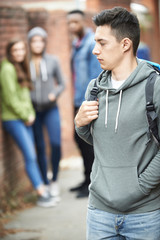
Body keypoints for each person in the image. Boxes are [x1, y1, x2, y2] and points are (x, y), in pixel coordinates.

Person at [75, 7, 160, 240]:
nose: (95, 50)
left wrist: (141, 186)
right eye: (95, 42)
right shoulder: (94, 88)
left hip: (145, 214)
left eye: (102, 43)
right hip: (99, 212)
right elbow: (102, 140)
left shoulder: (155, 87)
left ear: (125, 44)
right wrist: (80, 124)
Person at [0, 38, 56, 207]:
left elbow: (25, 97)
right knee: (30, 155)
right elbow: (10, 99)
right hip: (13, 119)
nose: (19, 53)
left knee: (32, 153)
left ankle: (42, 190)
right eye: (15, 51)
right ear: (10, 52)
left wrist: (29, 114)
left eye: (21, 50)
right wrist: (26, 115)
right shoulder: (7, 69)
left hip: (25, 118)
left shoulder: (20, 67)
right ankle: (41, 192)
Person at [67, 10, 102, 198]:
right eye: (69, 23)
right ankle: (85, 178)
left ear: (83, 22)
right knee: (79, 140)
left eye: (75, 22)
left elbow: (95, 76)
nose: (72, 26)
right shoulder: (76, 44)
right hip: (77, 99)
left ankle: (91, 182)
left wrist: (89, 101)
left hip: (85, 100)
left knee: (86, 142)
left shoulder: (91, 44)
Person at [27, 27, 65, 198]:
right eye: (34, 41)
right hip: (33, 111)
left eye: (40, 40)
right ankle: (45, 181)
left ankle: (55, 179)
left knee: (56, 143)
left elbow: (62, 83)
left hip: (51, 109)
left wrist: (54, 94)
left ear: (44, 42)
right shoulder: (25, 63)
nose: (37, 44)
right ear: (30, 43)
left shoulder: (53, 60)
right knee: (40, 147)